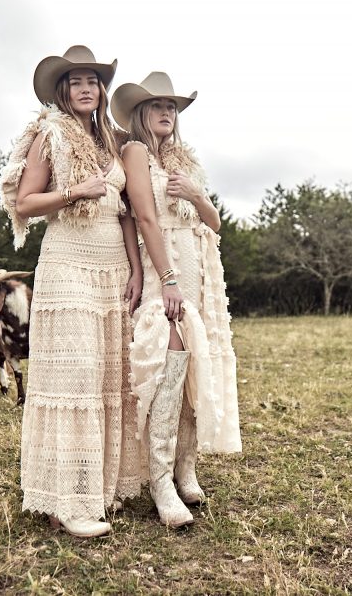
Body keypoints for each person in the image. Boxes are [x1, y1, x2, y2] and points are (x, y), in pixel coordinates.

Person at [0, 46, 144, 538]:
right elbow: (24, 202)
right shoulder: (51, 134)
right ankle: (67, 502)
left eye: (93, 81)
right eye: (76, 81)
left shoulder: (110, 141)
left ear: (102, 90)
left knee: (109, 376)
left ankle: (99, 489)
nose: (86, 88)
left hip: (113, 268)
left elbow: (126, 212)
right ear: (63, 90)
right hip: (68, 266)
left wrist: (137, 270)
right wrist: (74, 192)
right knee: (75, 377)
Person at [114, 71, 242, 527]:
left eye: (172, 106)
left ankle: (186, 467)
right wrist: (166, 279)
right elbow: (144, 218)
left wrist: (195, 193)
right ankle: (160, 480)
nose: (167, 112)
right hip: (161, 269)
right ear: (141, 112)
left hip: (197, 269)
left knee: (192, 366)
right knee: (168, 362)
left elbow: (214, 221)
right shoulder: (135, 152)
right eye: (158, 105)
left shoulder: (182, 159)